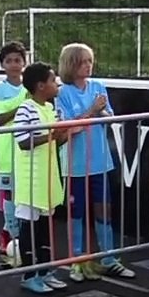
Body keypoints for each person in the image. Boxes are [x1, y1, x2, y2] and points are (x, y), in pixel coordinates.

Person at [56, 43, 134, 281]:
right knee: (76, 212)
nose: (88, 66)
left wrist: (101, 113)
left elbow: (109, 116)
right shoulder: (62, 92)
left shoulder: (99, 86)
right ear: (71, 64)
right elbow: (69, 128)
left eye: (90, 61)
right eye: (83, 62)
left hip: (100, 160)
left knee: (104, 209)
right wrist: (92, 111)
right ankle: (76, 261)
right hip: (75, 163)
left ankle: (109, 258)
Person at [12, 62, 70, 294]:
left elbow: (56, 140)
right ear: (40, 85)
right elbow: (23, 141)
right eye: (53, 80)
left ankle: (46, 270)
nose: (57, 84)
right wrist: (50, 136)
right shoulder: (25, 108)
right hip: (31, 178)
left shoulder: (50, 107)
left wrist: (63, 135)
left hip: (49, 174)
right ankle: (28, 274)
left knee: (46, 225)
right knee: (30, 227)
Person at [0, 41, 29, 261]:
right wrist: (23, 104)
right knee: (9, 196)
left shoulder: (30, 86)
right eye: (9, 61)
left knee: (25, 197)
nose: (14, 65)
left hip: (27, 151)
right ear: (3, 65)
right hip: (7, 150)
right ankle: (12, 238)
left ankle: (8, 234)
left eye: (18, 60)